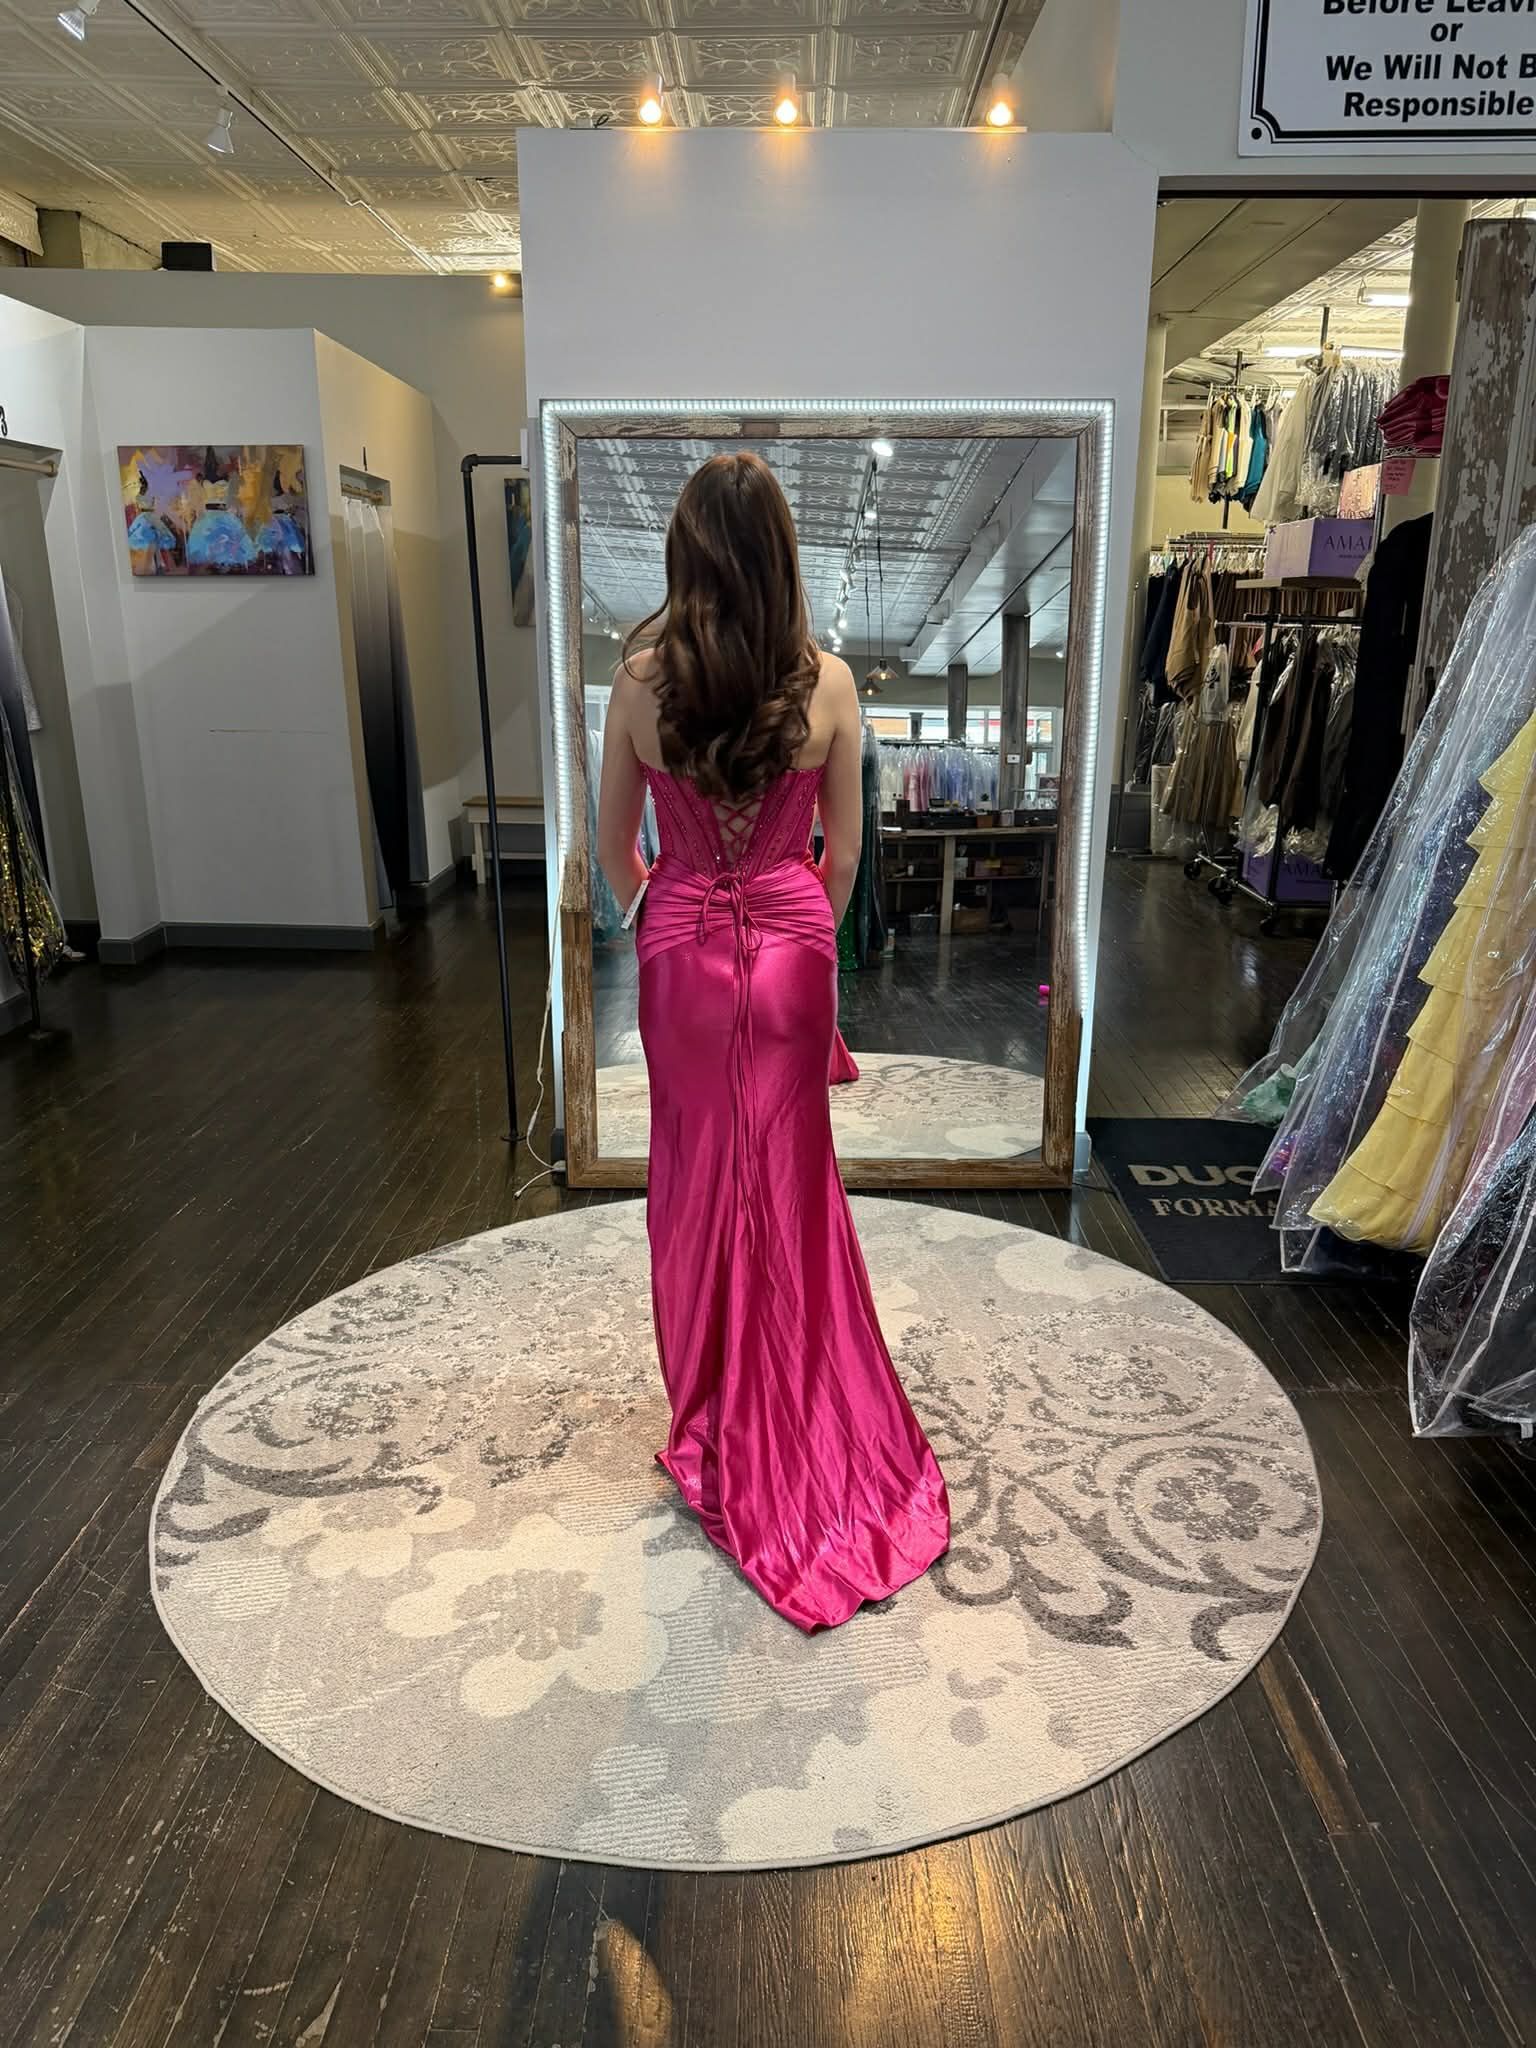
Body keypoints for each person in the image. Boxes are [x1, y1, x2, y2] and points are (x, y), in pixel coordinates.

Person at [596, 451, 950, 1632]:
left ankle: (710, 1406)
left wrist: (676, 904)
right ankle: (796, 1393)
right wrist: (797, 930)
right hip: (794, 952)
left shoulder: (638, 683)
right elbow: (844, 860)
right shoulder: (833, 685)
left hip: (682, 948)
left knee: (695, 1184)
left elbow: (613, 856)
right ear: (782, 553)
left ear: (686, 552)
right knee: (790, 1187)